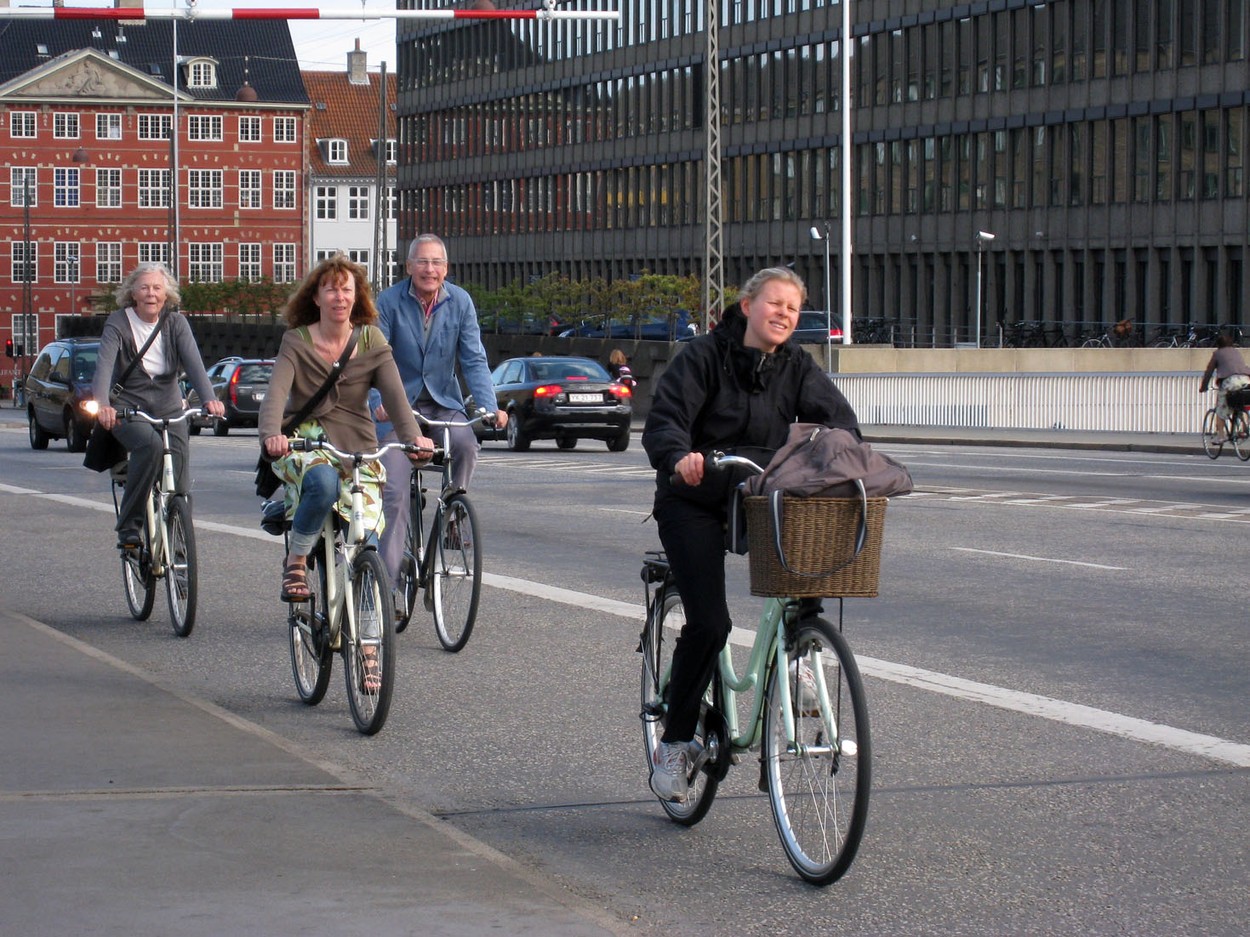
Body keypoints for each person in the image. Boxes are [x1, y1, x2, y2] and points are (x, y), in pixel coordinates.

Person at [640, 267, 860, 803]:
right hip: (695, 498)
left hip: (760, 496)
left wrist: (839, 457)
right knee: (711, 623)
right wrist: (680, 458)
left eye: (793, 307)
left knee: (806, 574)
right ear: (746, 306)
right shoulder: (702, 356)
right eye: (775, 303)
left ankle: (800, 654)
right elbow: (665, 420)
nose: (784, 314)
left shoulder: (797, 367)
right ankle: (674, 741)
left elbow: (842, 426)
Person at [259, 255, 434, 648]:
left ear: (357, 298)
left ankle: (370, 648)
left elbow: (396, 398)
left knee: (367, 544)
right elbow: (275, 398)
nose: (340, 297)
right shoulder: (297, 340)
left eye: (347, 290)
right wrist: (272, 434)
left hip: (357, 444)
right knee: (320, 482)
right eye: (332, 289)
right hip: (307, 439)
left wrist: (414, 440)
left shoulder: (371, 340)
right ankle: (297, 562)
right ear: (316, 297)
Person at [371, 234, 506, 596]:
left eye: (436, 263)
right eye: (422, 262)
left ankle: (452, 512)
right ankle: (389, 587)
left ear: (445, 269)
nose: (429, 270)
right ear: (409, 266)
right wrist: (379, 403)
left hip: (443, 401)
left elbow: (474, 358)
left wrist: (489, 407)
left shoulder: (460, 301)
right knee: (395, 493)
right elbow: (376, 357)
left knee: (466, 444)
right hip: (400, 406)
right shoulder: (388, 301)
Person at [92, 262, 225, 549]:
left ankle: (178, 537)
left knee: (179, 477)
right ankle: (130, 525)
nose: (151, 293)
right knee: (149, 446)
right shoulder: (118, 322)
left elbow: (194, 364)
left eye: (157, 288)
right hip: (129, 406)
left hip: (169, 406)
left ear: (167, 295)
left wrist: (209, 399)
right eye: (144, 287)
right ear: (133, 293)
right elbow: (103, 366)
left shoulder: (176, 323)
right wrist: (103, 404)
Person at [1198, 331, 1250, 438]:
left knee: (1221, 409)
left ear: (1218, 345)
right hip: (1246, 379)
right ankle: (1244, 429)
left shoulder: (1217, 353)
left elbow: (1209, 371)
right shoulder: (1236, 352)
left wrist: (1203, 387)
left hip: (1230, 381)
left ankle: (1220, 436)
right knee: (1241, 404)